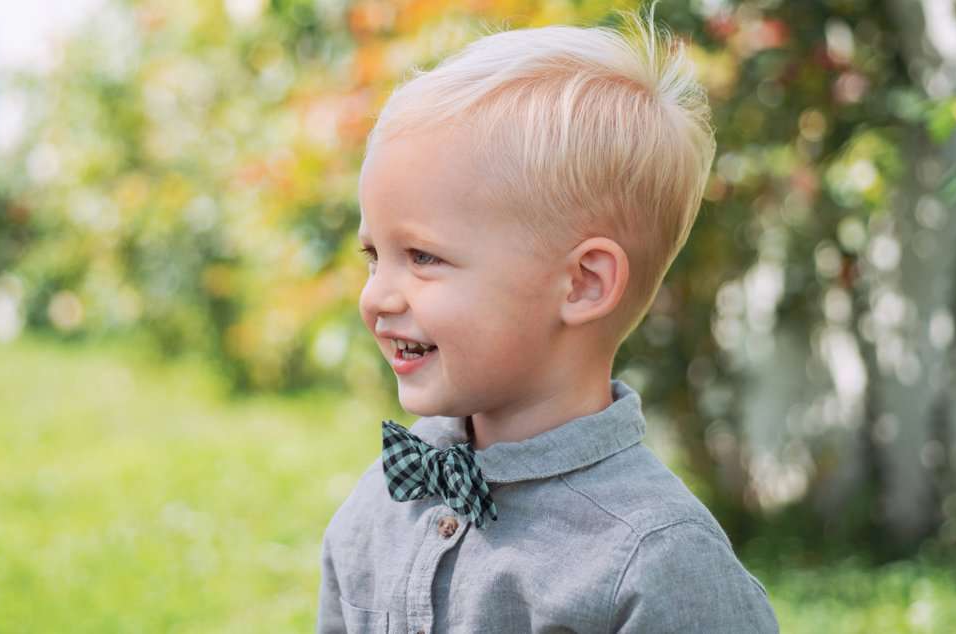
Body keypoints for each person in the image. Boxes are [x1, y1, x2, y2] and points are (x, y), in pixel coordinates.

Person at [317, 5, 780, 633]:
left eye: (423, 257)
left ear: (584, 284)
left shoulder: (654, 559)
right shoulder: (380, 505)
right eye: (375, 256)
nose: (377, 296)